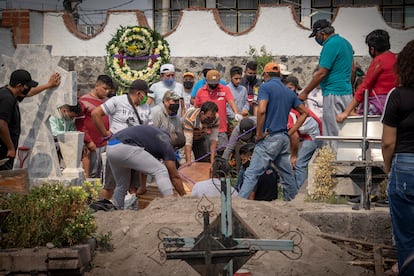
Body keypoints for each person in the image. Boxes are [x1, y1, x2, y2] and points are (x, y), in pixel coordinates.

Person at [238, 62, 308, 201]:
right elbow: (304, 113)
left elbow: (262, 110)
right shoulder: (288, 91)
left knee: (252, 173)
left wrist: (258, 134)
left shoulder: (265, 87)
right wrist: (290, 131)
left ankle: (239, 205)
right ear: (280, 75)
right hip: (283, 138)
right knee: (287, 175)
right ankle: (294, 204)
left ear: (266, 74)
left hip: (269, 137)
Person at [381, 39, 414, 276]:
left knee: (405, 235)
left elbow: (387, 142)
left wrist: (386, 166)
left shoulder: (397, 95)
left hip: (405, 166)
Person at [92, 79, 152, 201]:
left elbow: (149, 129)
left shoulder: (146, 108)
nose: (147, 97)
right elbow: (95, 114)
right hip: (117, 149)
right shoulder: (117, 101)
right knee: (110, 186)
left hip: (136, 151)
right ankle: (104, 208)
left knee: (133, 187)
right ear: (139, 93)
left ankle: (129, 212)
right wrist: (105, 133)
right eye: (146, 94)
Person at [298, 19, 354, 151]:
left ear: (322, 34)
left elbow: (321, 72)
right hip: (347, 92)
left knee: (332, 132)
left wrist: (305, 92)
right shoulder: (346, 43)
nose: (317, 40)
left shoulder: (330, 44)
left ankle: (333, 161)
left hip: (332, 92)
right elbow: (352, 69)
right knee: (346, 130)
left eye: (316, 36)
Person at [106, 125, 186, 209]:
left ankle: (116, 210)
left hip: (111, 147)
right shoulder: (166, 142)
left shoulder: (156, 134)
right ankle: (170, 202)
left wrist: (143, 187)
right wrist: (185, 197)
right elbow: (174, 177)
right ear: (175, 147)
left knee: (121, 185)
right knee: (161, 170)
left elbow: (144, 166)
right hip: (124, 147)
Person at [0, 70, 61, 170]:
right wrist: (10, 147)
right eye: (27, 86)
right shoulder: (7, 99)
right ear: (19, 86)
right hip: (3, 149)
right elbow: (1, 124)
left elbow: (29, 93)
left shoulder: (9, 93)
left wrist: (48, 85)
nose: (29, 88)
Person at [337, 29, 397, 122]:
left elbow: (365, 86)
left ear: (372, 49)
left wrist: (346, 112)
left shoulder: (379, 61)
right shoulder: (396, 59)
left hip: (378, 107)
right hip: (395, 105)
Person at [76, 75, 114, 178]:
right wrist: (88, 141)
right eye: (104, 88)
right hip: (91, 144)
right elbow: (79, 123)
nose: (106, 92)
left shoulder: (108, 101)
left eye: (108, 90)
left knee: (103, 174)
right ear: (97, 86)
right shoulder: (83, 100)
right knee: (89, 174)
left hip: (105, 142)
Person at [194, 69, 242, 151]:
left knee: (222, 153)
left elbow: (231, 101)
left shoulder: (224, 89)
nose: (213, 86)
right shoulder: (200, 91)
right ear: (206, 81)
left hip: (221, 129)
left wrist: (236, 113)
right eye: (211, 84)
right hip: (205, 130)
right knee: (206, 154)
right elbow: (196, 108)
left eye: (215, 83)